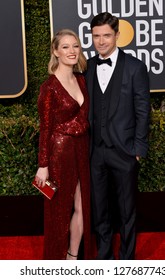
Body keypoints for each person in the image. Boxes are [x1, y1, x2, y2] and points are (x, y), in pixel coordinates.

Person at [85, 12, 150, 260]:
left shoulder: (135, 67)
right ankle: (104, 260)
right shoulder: (87, 66)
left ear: (117, 36)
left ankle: (126, 262)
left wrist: (138, 149)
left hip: (124, 151)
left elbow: (143, 111)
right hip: (94, 151)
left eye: (106, 36)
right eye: (96, 36)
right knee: (99, 210)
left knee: (126, 211)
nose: (101, 41)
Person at [35, 29, 91, 260]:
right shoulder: (49, 87)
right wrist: (43, 165)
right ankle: (56, 261)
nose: (71, 51)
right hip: (59, 154)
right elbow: (45, 129)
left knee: (82, 206)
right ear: (56, 52)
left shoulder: (81, 79)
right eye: (65, 47)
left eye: (75, 46)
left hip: (82, 149)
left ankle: (73, 256)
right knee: (58, 211)